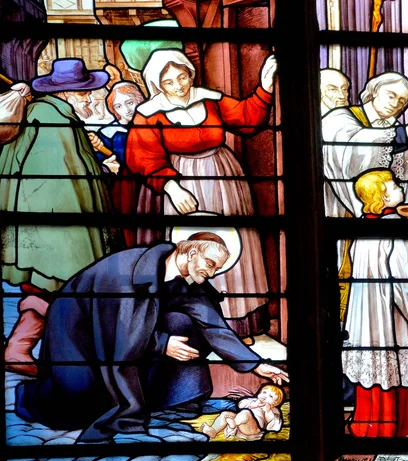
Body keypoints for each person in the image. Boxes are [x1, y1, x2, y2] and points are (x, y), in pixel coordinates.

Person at [14, 232, 289, 442]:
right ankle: (122, 416)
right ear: (190, 252)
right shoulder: (127, 272)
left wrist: (255, 363)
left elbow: (213, 326)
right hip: (79, 339)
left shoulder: (190, 280)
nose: (211, 273)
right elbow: (114, 331)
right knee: (78, 402)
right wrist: (161, 343)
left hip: (125, 340)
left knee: (183, 323)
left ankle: (171, 399)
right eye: (210, 264)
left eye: (216, 268)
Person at [127, 49, 276, 341]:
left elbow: (247, 118)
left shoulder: (210, 100)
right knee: (188, 246)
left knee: (234, 241)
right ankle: (191, 324)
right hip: (179, 181)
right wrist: (171, 186)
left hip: (223, 176)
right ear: (158, 85)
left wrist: (266, 86)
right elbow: (142, 155)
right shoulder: (149, 114)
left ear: (190, 74)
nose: (179, 85)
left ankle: (236, 325)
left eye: (182, 76)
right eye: (169, 81)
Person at [1, 58, 120, 377]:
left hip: (44, 220)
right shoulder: (53, 117)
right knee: (55, 285)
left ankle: (22, 348)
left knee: (48, 286)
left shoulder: (47, 113)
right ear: (68, 93)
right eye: (86, 94)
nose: (90, 99)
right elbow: (62, 177)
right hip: (56, 221)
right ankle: (20, 348)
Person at [343, 169, 408, 437]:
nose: (400, 187)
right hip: (397, 318)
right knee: (404, 365)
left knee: (380, 368)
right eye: (394, 185)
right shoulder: (395, 229)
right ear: (383, 197)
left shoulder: (364, 228)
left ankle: (373, 427)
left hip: (372, 318)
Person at [322, 71, 408, 218]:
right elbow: (351, 149)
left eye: (402, 101)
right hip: (343, 215)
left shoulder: (395, 128)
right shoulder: (340, 117)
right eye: (391, 96)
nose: (395, 104)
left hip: (388, 217)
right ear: (374, 92)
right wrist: (404, 133)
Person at [89, 81, 146, 246]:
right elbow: (99, 164)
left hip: (149, 187)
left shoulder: (153, 128)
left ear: (140, 101)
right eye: (119, 106)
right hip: (122, 190)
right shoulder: (108, 134)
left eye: (130, 103)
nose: (126, 110)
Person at [201, 384, 284, 441]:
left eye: (270, 396)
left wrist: (268, 412)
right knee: (225, 414)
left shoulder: (274, 410)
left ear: (275, 403)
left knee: (245, 413)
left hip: (253, 430)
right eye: (264, 392)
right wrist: (253, 405)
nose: (265, 396)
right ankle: (214, 431)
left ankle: (233, 423)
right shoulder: (253, 401)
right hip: (240, 427)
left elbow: (274, 426)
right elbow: (241, 404)